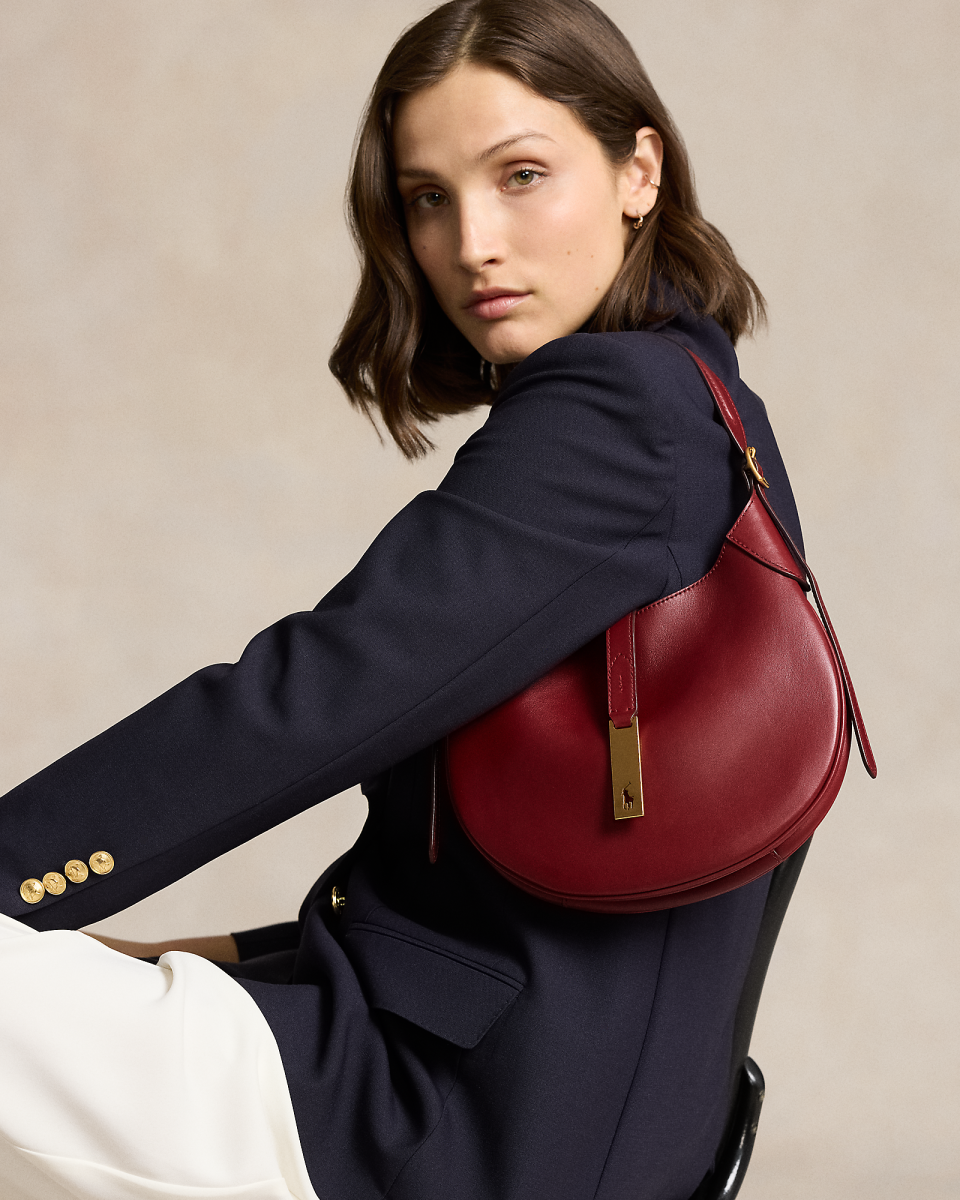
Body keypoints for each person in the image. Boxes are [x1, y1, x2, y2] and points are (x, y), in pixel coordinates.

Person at [0, 1, 810, 1197]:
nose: (472, 241)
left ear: (639, 171)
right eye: (429, 197)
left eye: (521, 175)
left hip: (438, 1130)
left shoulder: (618, 419)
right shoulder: (704, 404)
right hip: (503, 1112)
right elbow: (485, 904)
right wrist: (195, 956)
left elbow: (309, 700)